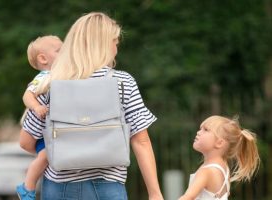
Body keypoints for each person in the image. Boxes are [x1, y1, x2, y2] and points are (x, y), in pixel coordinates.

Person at [20, 12, 164, 200]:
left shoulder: (50, 83)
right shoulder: (122, 82)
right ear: (104, 44)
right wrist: (155, 194)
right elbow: (141, 141)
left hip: (60, 187)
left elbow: (26, 142)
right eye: (115, 42)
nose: (116, 48)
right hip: (108, 186)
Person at [16, 35, 63, 200]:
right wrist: (37, 107)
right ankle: (26, 187)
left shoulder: (61, 75)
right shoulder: (44, 76)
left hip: (48, 131)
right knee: (45, 156)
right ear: (43, 59)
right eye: (59, 51)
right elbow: (27, 96)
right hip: (36, 129)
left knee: (48, 156)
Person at [179, 115, 260, 200]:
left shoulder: (206, 171)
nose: (198, 132)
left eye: (206, 130)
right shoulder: (224, 169)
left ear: (219, 143)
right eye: (200, 128)